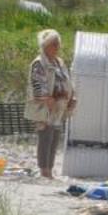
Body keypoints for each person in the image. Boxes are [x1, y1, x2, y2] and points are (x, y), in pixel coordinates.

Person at [26, 28, 76, 180]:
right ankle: (44, 170)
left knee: (54, 136)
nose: (57, 47)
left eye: (58, 44)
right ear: (45, 45)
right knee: (45, 136)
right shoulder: (39, 63)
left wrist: (72, 96)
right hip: (45, 106)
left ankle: (50, 168)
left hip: (59, 107)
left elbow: (67, 81)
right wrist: (47, 98)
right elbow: (37, 84)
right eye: (54, 44)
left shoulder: (59, 62)